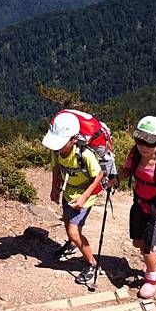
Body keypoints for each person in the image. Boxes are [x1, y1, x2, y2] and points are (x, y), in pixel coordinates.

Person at [108, 116, 156, 298]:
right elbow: (127, 170)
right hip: (140, 205)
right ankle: (154, 249)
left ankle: (153, 276)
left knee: (146, 250)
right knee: (137, 242)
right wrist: (117, 178)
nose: (143, 146)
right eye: (139, 140)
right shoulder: (135, 154)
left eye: (148, 143)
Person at [42, 112, 105, 285]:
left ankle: (92, 263)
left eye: (62, 143)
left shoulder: (85, 154)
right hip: (68, 192)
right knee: (67, 222)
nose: (58, 147)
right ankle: (72, 245)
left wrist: (84, 197)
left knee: (73, 231)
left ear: (74, 139)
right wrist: (54, 188)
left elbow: (98, 176)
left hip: (84, 196)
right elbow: (56, 169)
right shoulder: (57, 151)